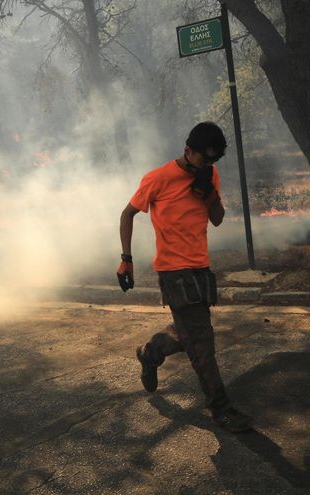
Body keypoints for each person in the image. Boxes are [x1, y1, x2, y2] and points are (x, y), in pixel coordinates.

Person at [117, 122, 253, 433]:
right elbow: (127, 214)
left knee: (190, 333)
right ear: (187, 151)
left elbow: (217, 220)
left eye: (213, 162)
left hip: (200, 268)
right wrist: (127, 259)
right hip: (173, 271)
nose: (208, 166)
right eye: (203, 160)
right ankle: (221, 408)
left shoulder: (208, 175)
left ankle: (150, 352)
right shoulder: (158, 178)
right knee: (201, 342)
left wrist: (207, 192)